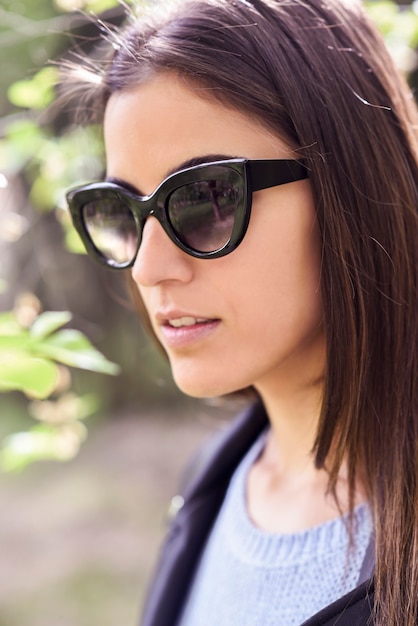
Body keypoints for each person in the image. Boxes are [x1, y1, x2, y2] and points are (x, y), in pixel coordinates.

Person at [63, 0, 418, 624]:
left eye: (205, 199)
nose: (149, 268)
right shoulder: (213, 485)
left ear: (349, 189)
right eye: (124, 211)